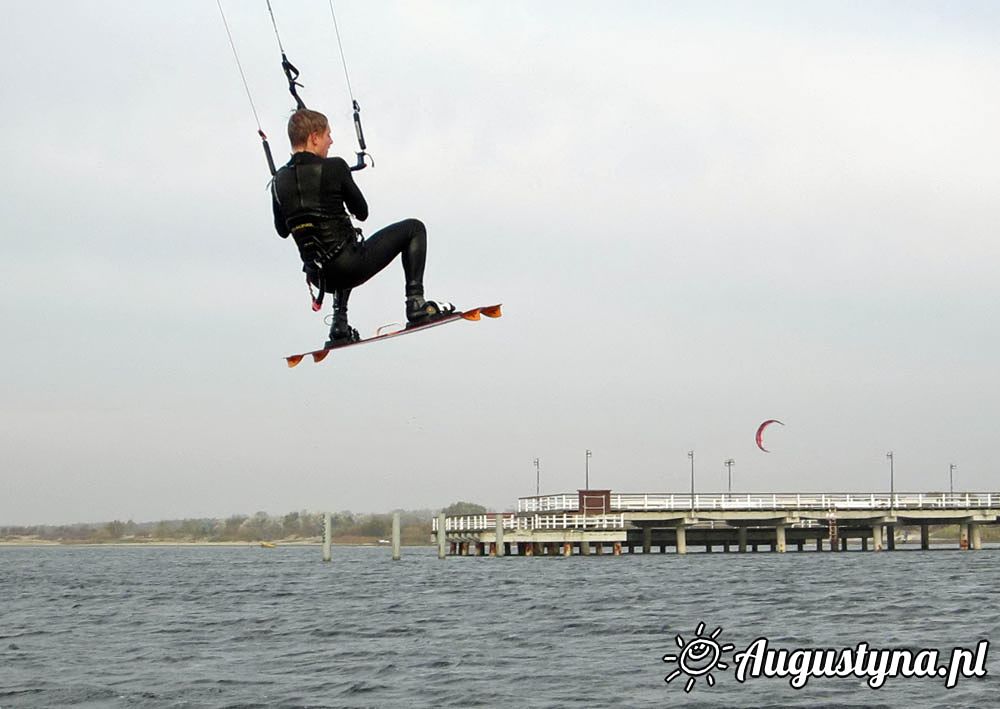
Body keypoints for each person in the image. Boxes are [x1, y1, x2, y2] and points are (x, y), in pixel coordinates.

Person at [271, 108, 454, 347]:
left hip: (318, 277)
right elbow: (362, 212)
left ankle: (339, 325)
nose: (331, 141)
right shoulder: (335, 167)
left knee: (333, 245)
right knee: (414, 229)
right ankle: (416, 303)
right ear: (314, 137)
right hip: (348, 267)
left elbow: (282, 231)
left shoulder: (277, 181)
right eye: (328, 135)